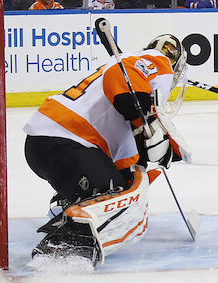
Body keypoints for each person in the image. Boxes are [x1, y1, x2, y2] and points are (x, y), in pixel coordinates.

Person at [23, 33, 189, 266]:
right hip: (66, 139)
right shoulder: (157, 61)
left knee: (122, 182)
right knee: (122, 196)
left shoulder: (134, 66)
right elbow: (121, 81)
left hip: (51, 144)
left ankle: (69, 204)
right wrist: (144, 119)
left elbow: (127, 155)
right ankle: (66, 245)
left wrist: (154, 146)